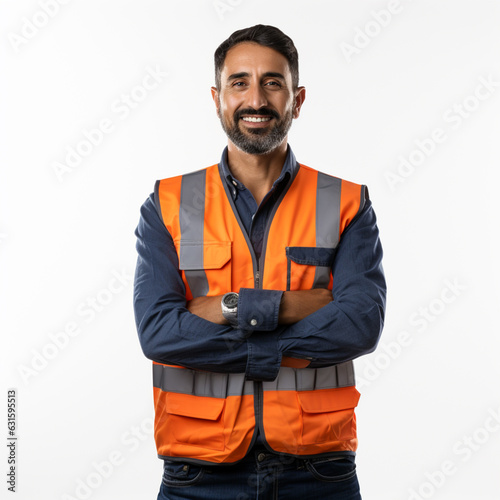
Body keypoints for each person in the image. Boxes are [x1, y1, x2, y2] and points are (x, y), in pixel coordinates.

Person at [133, 24, 386, 500]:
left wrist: (216, 309)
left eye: (273, 82)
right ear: (216, 97)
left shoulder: (346, 202)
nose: (256, 99)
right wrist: (291, 306)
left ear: (298, 99)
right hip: (197, 473)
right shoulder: (168, 202)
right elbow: (159, 333)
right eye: (239, 82)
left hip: (318, 471)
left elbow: (360, 325)